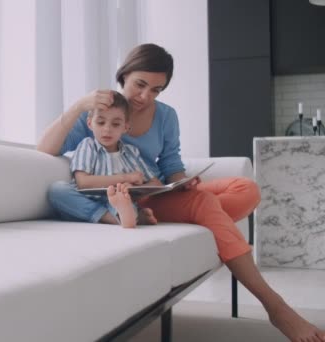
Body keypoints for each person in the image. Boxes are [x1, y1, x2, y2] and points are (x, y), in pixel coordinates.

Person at [37, 43, 325, 342]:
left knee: (246, 189)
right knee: (204, 205)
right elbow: (45, 149)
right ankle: (276, 308)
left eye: (156, 89)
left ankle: (197, 214)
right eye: (140, 84)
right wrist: (77, 106)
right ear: (123, 76)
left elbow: (172, 163)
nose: (145, 96)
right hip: (130, 199)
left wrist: (182, 182)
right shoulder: (104, 113)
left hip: (161, 193)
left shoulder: (165, 115)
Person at [49, 91, 160, 228]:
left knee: (124, 200)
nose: (107, 129)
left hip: (118, 201)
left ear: (125, 127)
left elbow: (156, 183)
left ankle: (127, 214)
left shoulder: (131, 152)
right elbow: (83, 182)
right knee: (57, 190)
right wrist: (126, 177)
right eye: (101, 122)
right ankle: (118, 219)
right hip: (88, 201)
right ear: (90, 124)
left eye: (115, 124)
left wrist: (136, 187)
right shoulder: (88, 145)